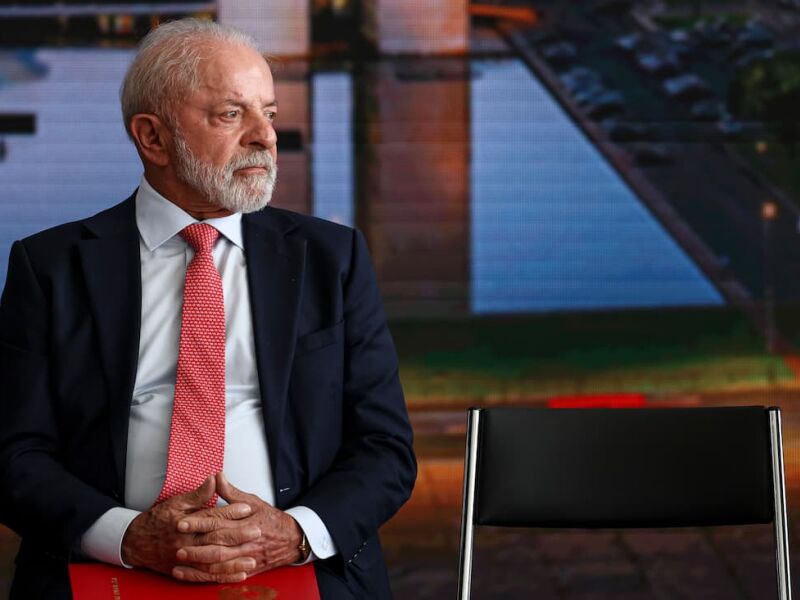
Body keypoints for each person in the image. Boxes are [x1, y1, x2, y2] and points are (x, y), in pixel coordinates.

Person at [0, 18, 416, 600]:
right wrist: (127, 537)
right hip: (106, 568)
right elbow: (14, 453)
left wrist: (293, 533)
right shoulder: (49, 267)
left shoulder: (332, 258)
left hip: (296, 565)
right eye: (231, 114)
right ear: (152, 138)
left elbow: (385, 449)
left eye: (269, 113)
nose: (264, 137)